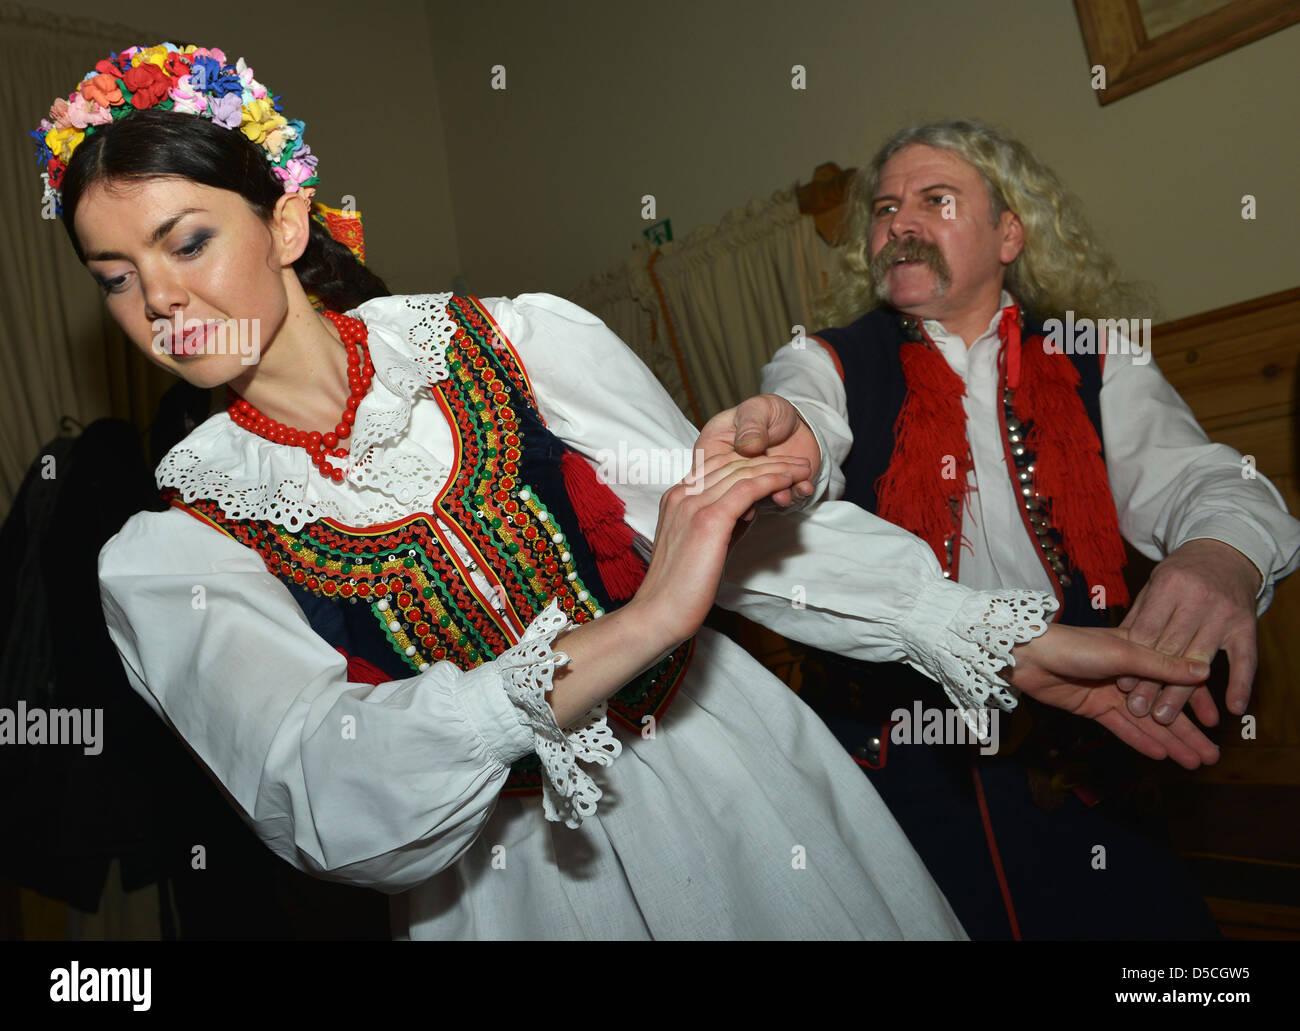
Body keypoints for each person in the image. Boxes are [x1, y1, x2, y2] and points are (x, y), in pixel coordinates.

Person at [36, 48, 1217, 940]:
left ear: (286, 218)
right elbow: (320, 786)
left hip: (733, 775)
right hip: (516, 887)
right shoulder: (175, 549)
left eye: (186, 241)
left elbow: (758, 547)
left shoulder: (515, 341)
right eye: (116, 276)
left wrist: (1006, 638)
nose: (159, 301)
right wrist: (641, 623)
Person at [705, 120, 1300, 938]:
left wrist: (1221, 552)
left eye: (935, 200)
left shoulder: (1096, 357)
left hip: (1091, 750)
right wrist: (792, 443)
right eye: (884, 208)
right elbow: (800, 422)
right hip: (902, 770)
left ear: (1009, 232)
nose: (899, 224)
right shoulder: (828, 360)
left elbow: (1203, 478)